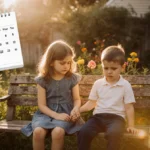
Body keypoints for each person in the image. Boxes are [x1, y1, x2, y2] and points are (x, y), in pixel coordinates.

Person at [21, 40, 84, 150]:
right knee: (38, 132)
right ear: (51, 62)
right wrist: (55, 115)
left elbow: (77, 99)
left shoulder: (72, 78)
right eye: (62, 63)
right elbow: (42, 105)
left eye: (69, 62)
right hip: (46, 114)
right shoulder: (43, 80)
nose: (66, 66)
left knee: (58, 132)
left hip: (66, 114)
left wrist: (76, 108)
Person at [77, 45, 139, 150]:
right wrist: (78, 110)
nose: (109, 71)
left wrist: (131, 125)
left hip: (116, 119)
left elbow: (129, 107)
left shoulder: (125, 85)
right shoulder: (98, 84)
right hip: (98, 118)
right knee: (84, 132)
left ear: (122, 67)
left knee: (114, 134)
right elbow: (91, 103)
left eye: (113, 68)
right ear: (102, 66)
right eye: (106, 68)